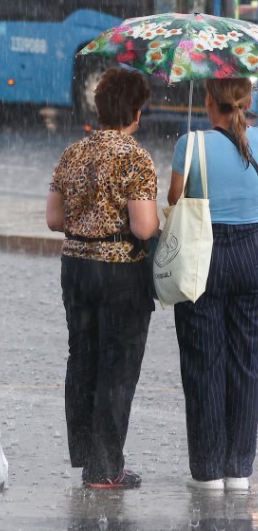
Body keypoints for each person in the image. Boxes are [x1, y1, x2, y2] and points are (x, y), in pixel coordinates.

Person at [46, 67, 159, 490]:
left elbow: (54, 219)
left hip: (75, 267)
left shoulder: (72, 153)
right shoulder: (135, 157)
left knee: (83, 358)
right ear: (134, 111)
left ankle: (87, 456)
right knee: (118, 367)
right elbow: (144, 228)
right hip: (120, 271)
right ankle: (105, 466)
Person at [167, 78, 258, 492]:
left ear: (208, 101)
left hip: (203, 254)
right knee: (247, 359)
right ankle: (240, 469)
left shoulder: (191, 143)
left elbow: (174, 199)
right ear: (248, 100)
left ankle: (208, 470)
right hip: (253, 253)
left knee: (204, 361)